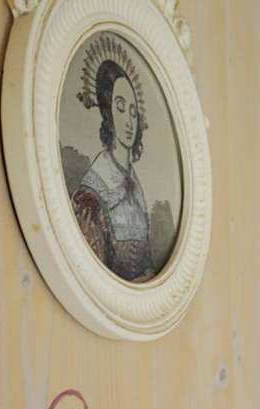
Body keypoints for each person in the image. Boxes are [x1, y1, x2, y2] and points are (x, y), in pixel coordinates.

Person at [72, 36, 156, 282]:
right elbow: (94, 277)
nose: (129, 121)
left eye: (133, 111)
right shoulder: (93, 193)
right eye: (120, 107)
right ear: (108, 111)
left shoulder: (136, 186)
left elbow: (148, 262)